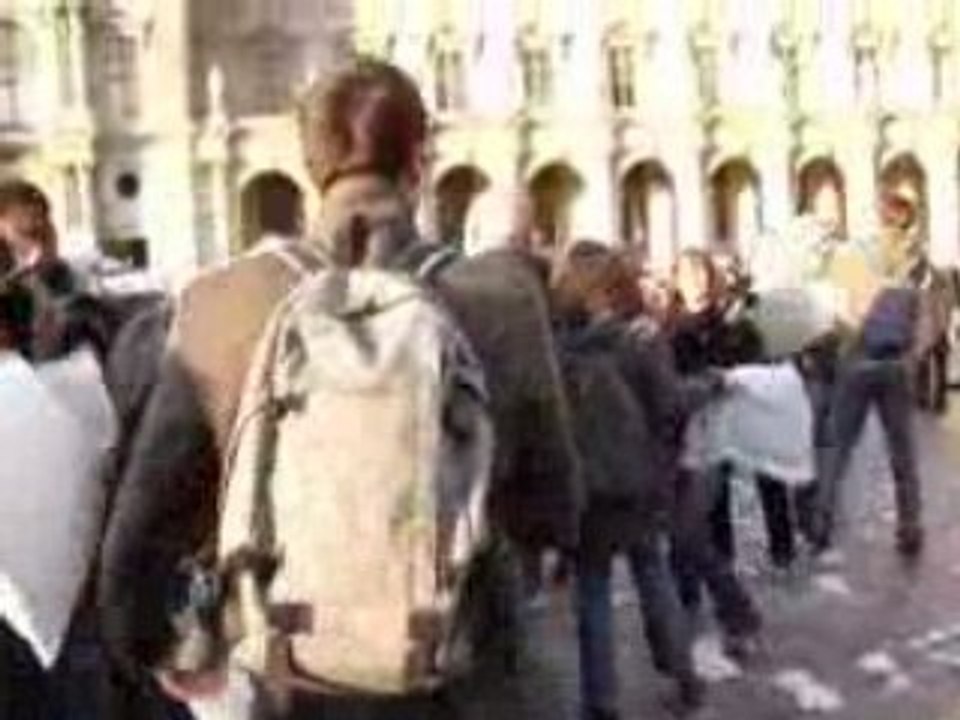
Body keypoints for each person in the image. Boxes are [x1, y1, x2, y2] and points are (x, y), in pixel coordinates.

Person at [98, 58, 579, 720]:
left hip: (285, 680)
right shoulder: (500, 300)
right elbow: (558, 507)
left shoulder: (221, 304)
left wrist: (171, 652)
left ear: (309, 166)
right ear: (420, 160)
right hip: (465, 681)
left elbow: (140, 532)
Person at [552, 242, 707, 720]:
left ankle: (601, 702)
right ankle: (682, 674)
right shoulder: (641, 339)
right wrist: (706, 388)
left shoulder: (558, 347)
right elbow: (671, 406)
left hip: (588, 488)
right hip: (639, 483)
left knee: (593, 595)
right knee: (653, 576)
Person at [814, 187, 927, 559]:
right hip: (894, 363)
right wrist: (914, 355)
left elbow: (835, 307)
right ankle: (909, 526)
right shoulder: (915, 258)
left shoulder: (854, 254)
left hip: (856, 359)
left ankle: (822, 521)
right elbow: (926, 317)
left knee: (838, 446)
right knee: (902, 452)